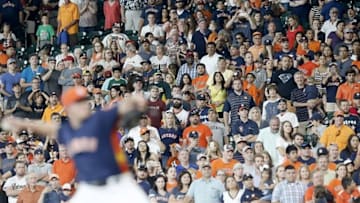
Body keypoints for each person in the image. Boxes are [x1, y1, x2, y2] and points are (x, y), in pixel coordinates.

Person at [2, 86, 149, 202]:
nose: (84, 104)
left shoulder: (100, 119)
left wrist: (136, 100)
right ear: (69, 108)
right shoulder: (66, 131)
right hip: (89, 189)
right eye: (78, 102)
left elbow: (124, 106)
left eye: (84, 100)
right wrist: (19, 122)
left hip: (119, 185)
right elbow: (47, 127)